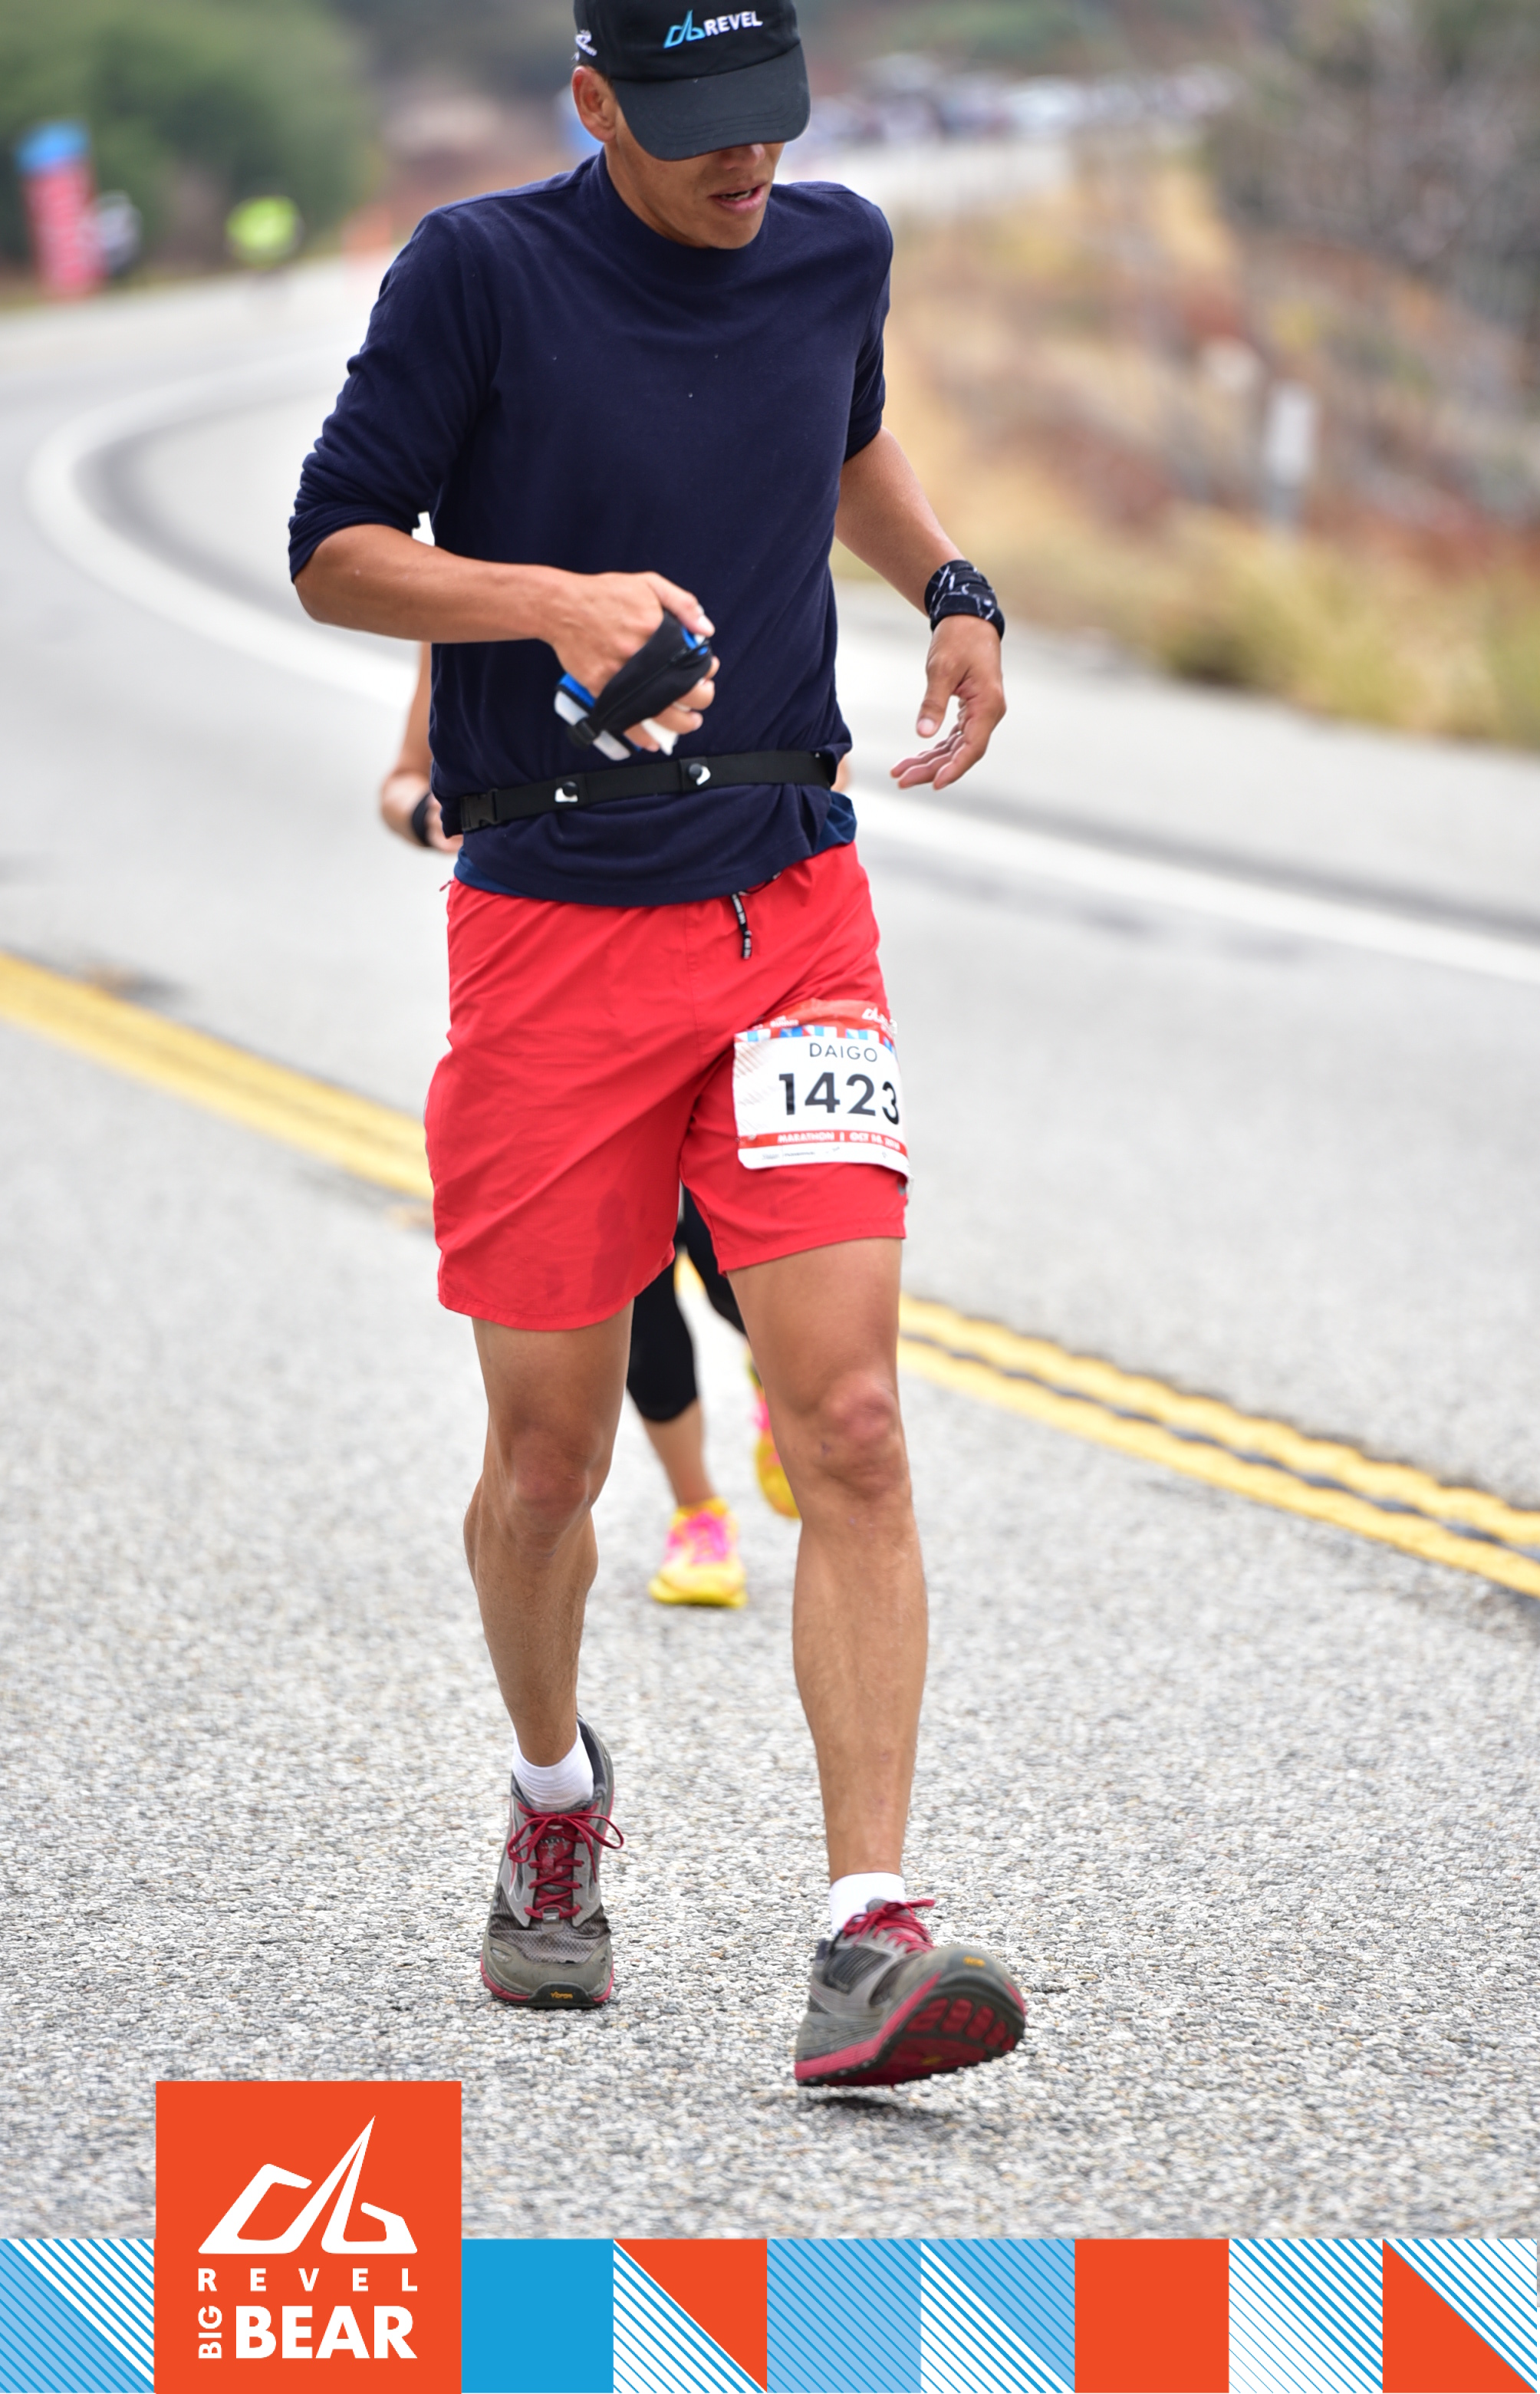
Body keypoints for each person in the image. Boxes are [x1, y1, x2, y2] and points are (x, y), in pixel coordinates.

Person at [291, 0, 1024, 2090]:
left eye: (768, 119)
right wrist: (548, 601)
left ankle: (869, 1931)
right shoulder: (480, 272)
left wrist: (950, 584)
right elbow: (337, 551)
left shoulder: (831, 245)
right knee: (550, 1458)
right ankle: (552, 1796)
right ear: (594, 101)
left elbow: (839, 435)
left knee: (850, 1415)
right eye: (694, 125)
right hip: (550, 927)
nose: (744, 163)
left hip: (791, 901)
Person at [380, 646, 796, 1608]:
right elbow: (402, 780)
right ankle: (699, 1514)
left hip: (708, 975)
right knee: (628, 1284)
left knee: (725, 1247)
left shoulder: (703, 607)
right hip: (558, 987)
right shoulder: (470, 625)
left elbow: (817, 756)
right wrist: (431, 815)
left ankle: (778, 1373)